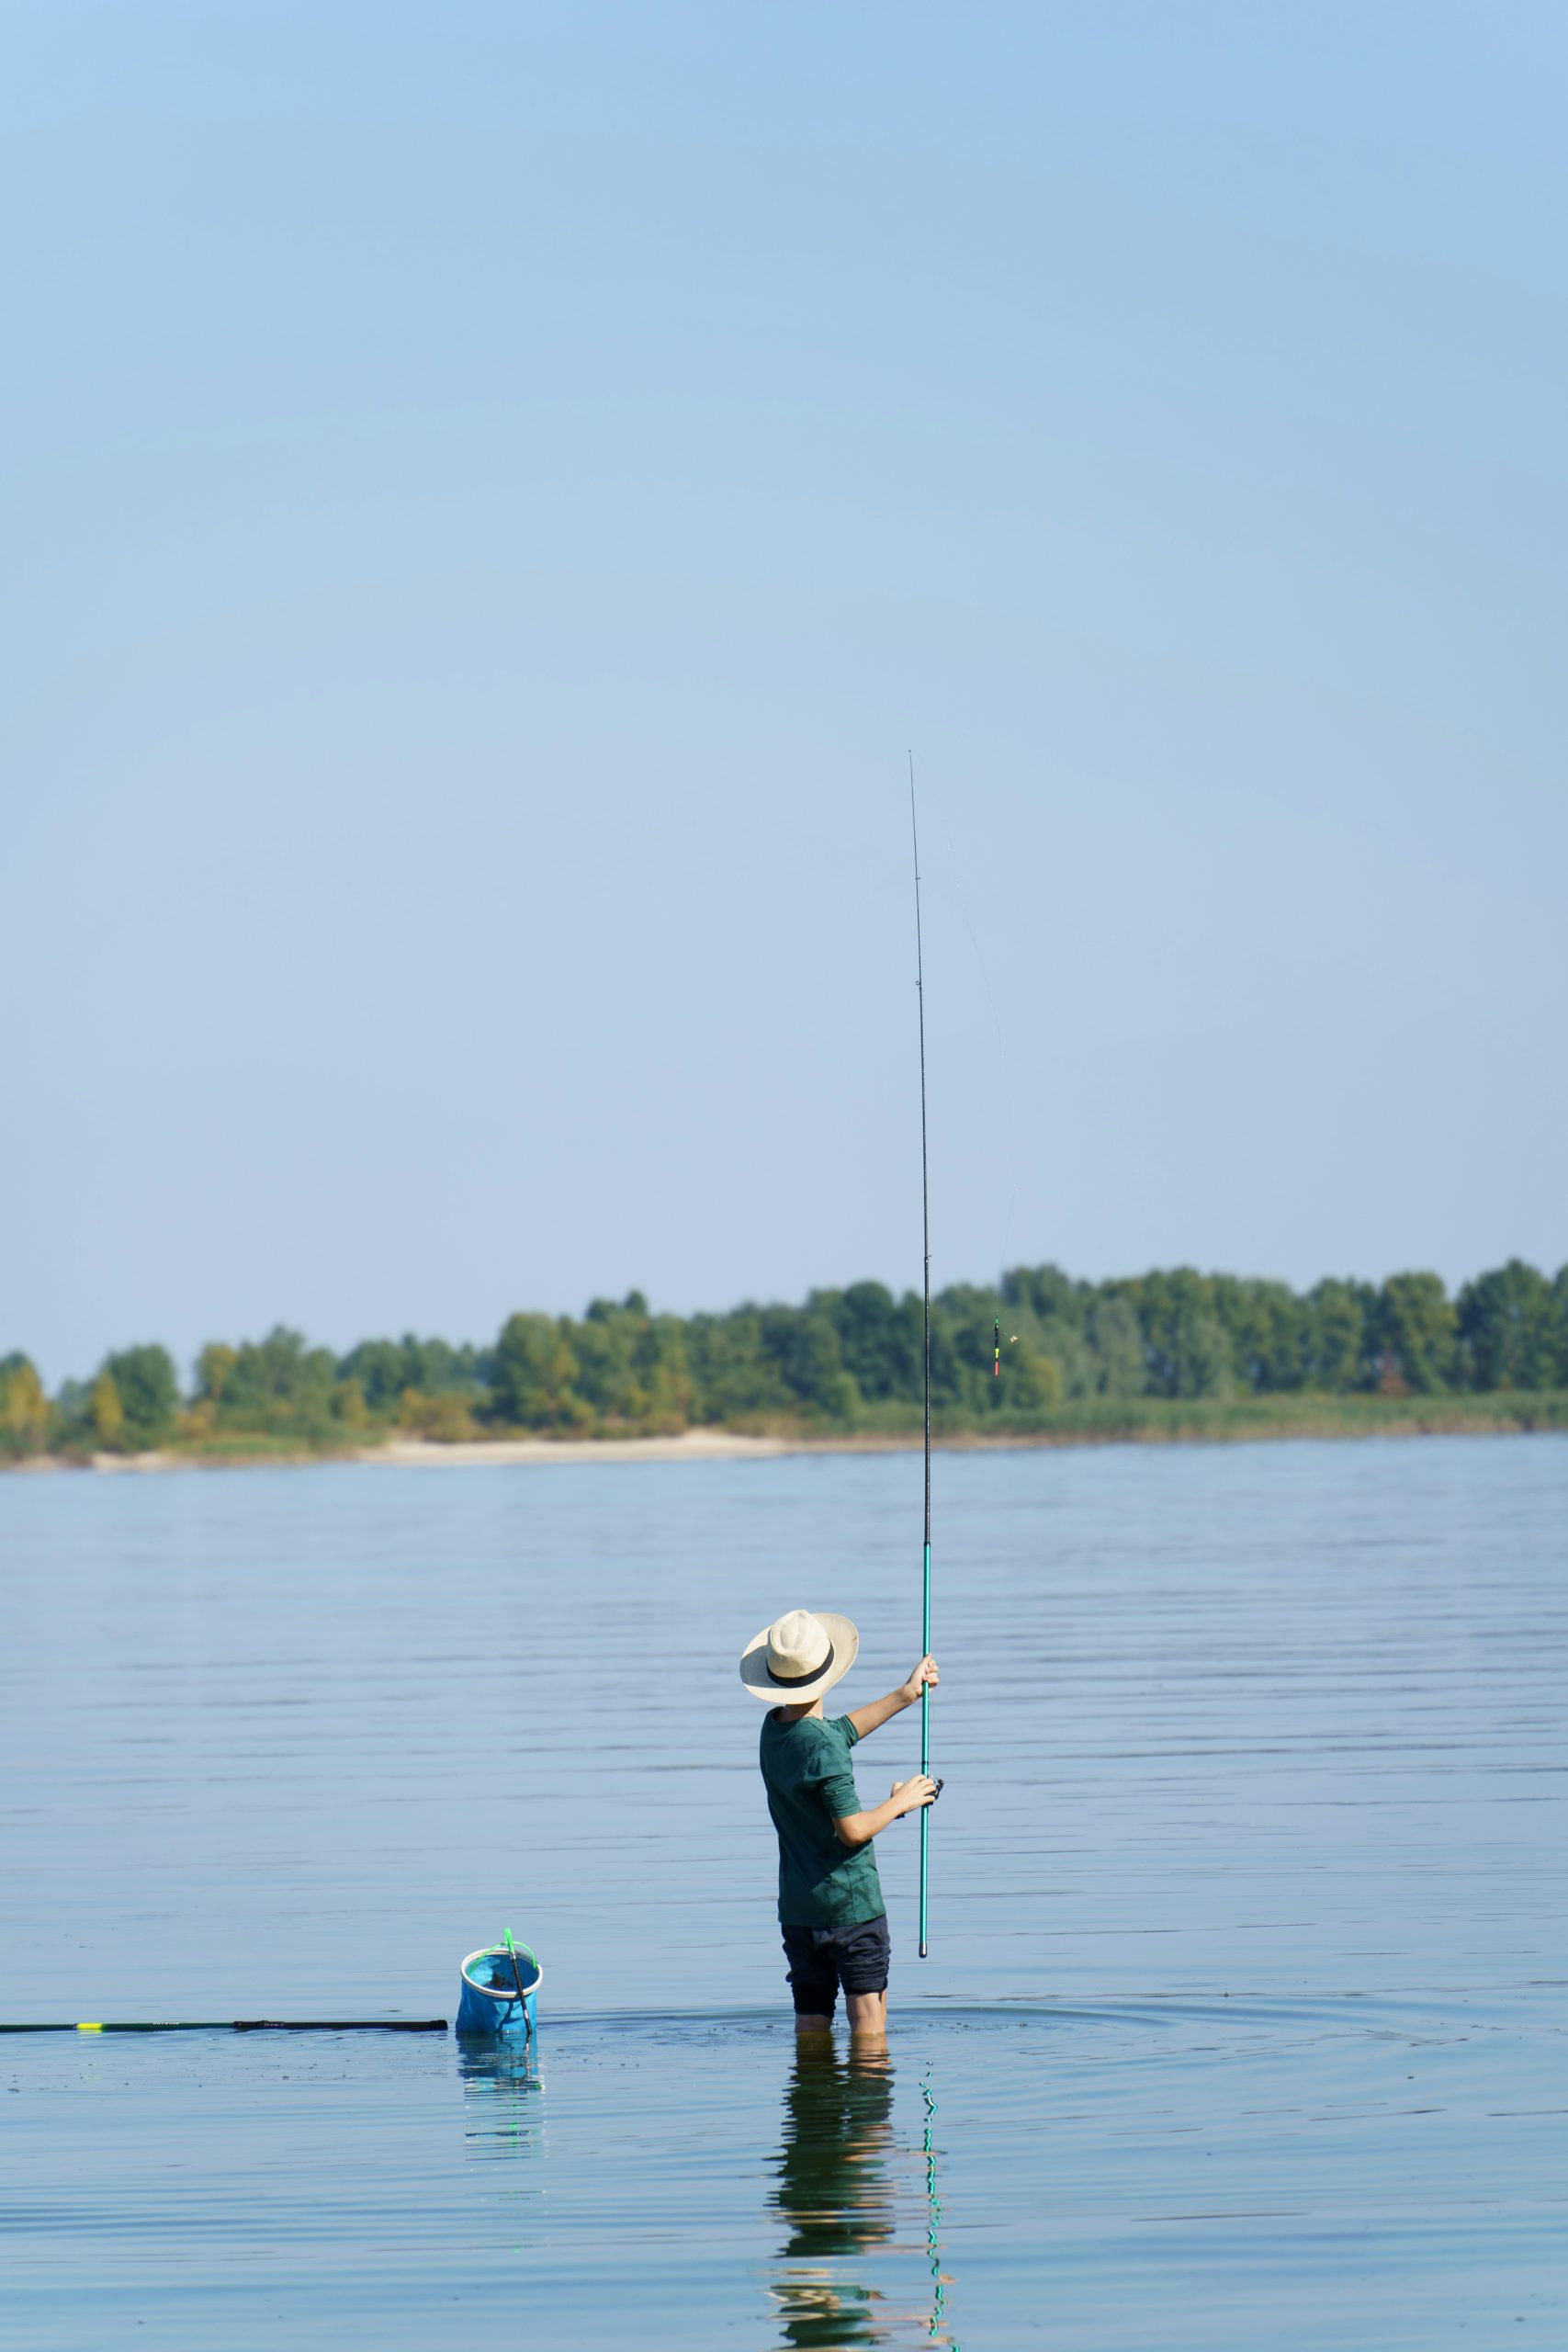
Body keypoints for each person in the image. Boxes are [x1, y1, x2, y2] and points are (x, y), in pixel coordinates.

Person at [740, 1607, 939, 2041]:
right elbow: (851, 1830)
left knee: (811, 2020)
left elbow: (839, 1733)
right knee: (869, 2024)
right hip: (851, 1908)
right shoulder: (824, 1744)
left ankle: (812, 2102)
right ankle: (866, 2102)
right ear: (830, 1668)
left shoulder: (774, 1731)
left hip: (798, 1911)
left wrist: (906, 1695)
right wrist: (901, 1801)